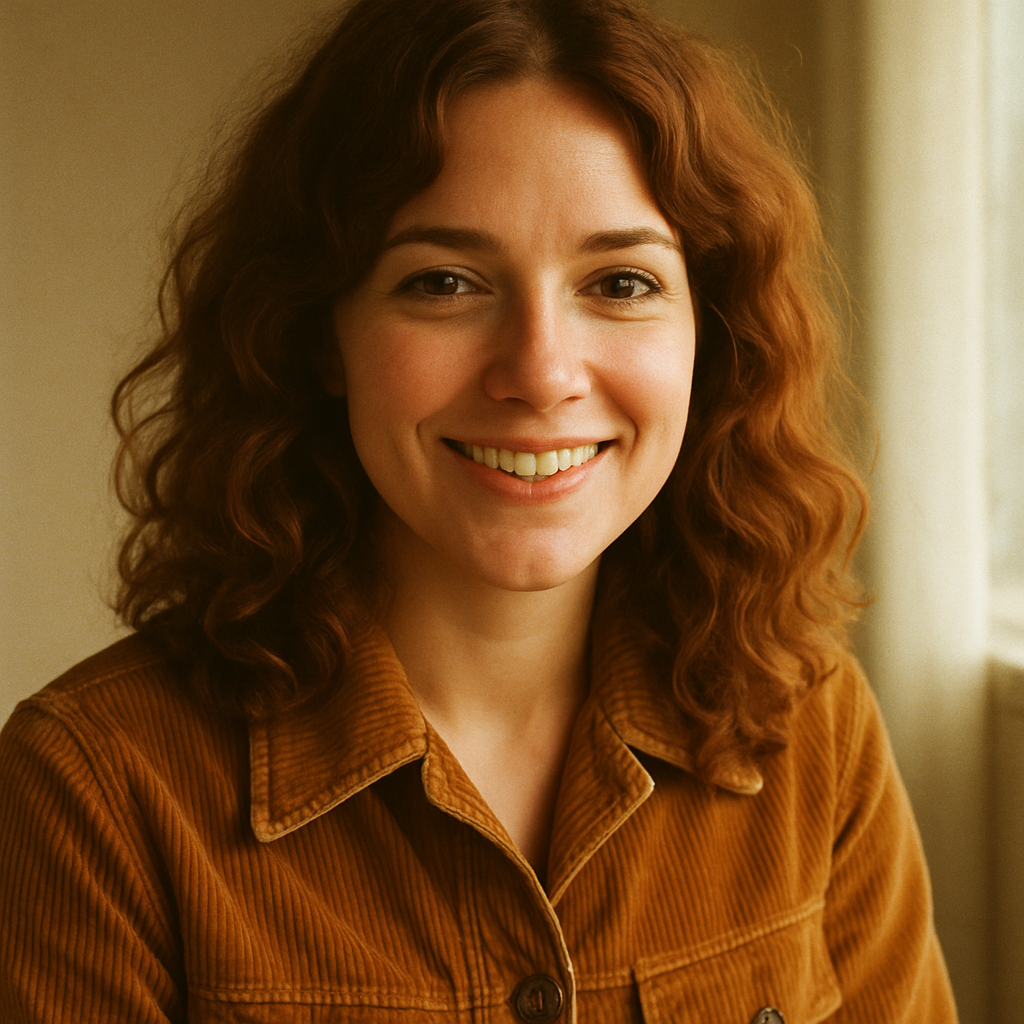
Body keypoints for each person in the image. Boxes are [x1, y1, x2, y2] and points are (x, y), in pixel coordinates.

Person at [0, 0, 958, 1021]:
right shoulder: (93, 790)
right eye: (444, 281)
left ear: (707, 336)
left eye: (621, 281)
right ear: (317, 333)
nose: (541, 372)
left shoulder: (811, 725)